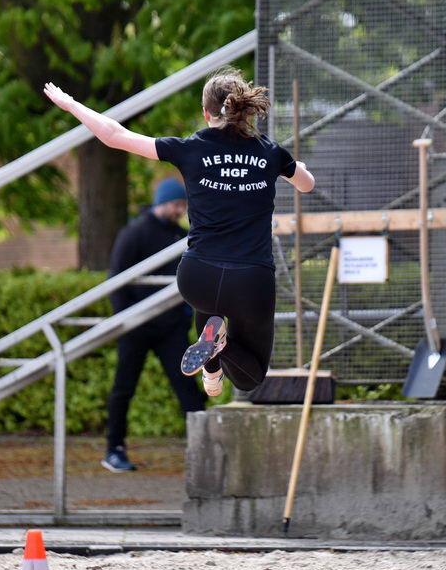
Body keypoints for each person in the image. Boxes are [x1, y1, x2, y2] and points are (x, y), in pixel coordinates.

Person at [44, 66, 315, 396]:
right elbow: (307, 185)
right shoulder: (271, 152)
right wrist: (294, 168)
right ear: (245, 111)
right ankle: (219, 353)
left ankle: (211, 364)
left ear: (205, 113)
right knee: (250, 377)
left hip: (196, 277)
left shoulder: (190, 148)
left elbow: (113, 135)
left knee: (211, 299)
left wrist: (72, 104)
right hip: (250, 281)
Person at [102, 178, 206, 472]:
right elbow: (117, 281)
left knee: (187, 387)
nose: (179, 211)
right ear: (163, 202)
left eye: (182, 206)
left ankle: (204, 448)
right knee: (124, 388)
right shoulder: (134, 233)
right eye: (176, 205)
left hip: (169, 327)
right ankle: (114, 448)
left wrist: (184, 316)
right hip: (136, 326)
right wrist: (126, 319)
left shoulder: (179, 236)